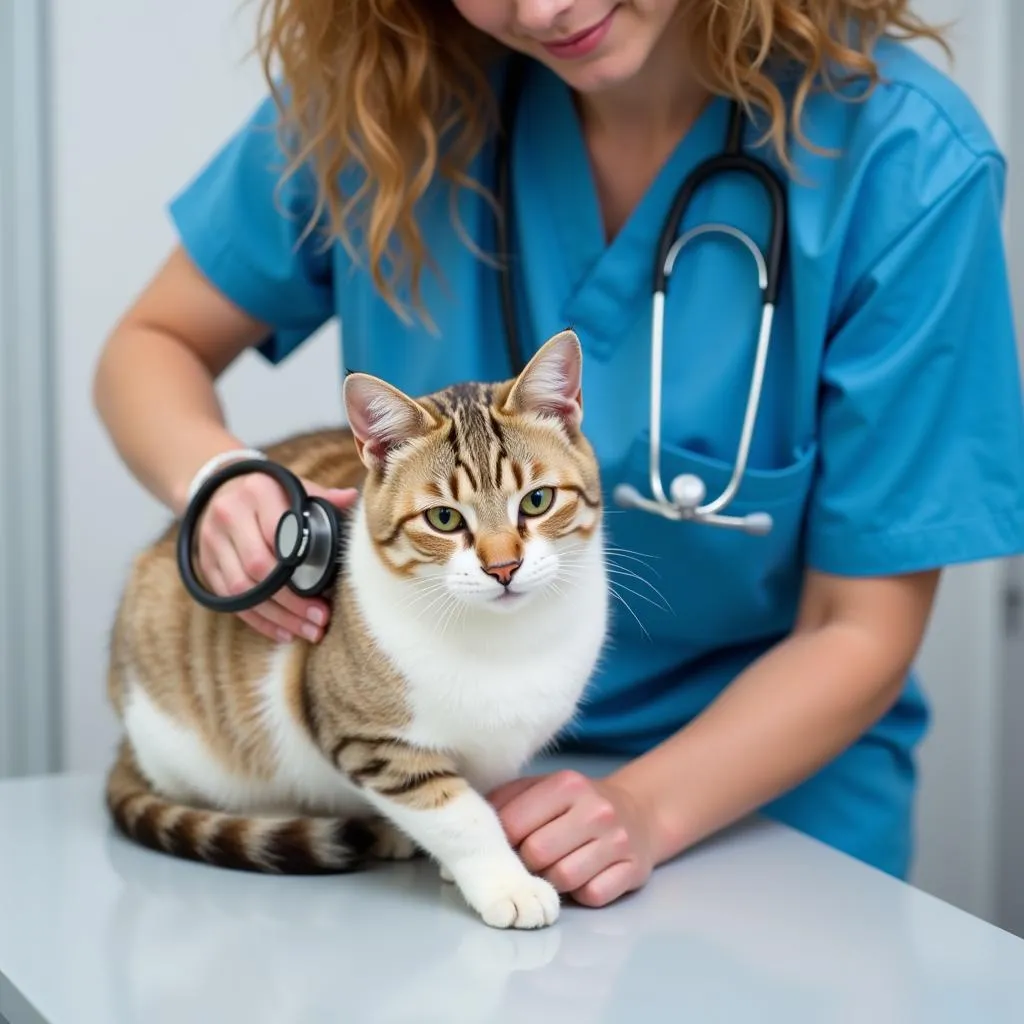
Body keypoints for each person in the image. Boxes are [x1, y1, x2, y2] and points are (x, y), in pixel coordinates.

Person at [93, 0, 1024, 909]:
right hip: (416, 782)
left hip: (764, 807)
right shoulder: (378, 98)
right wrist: (216, 481)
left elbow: (857, 628)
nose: (544, 9)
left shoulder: (904, 160)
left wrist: (645, 808)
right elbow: (153, 344)